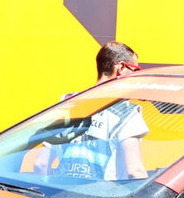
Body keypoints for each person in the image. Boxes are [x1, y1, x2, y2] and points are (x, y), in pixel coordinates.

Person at [54, 42, 149, 180]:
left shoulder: (66, 103)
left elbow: (41, 164)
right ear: (121, 67)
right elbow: (135, 171)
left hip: (62, 195)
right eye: (135, 70)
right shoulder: (127, 112)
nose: (135, 76)